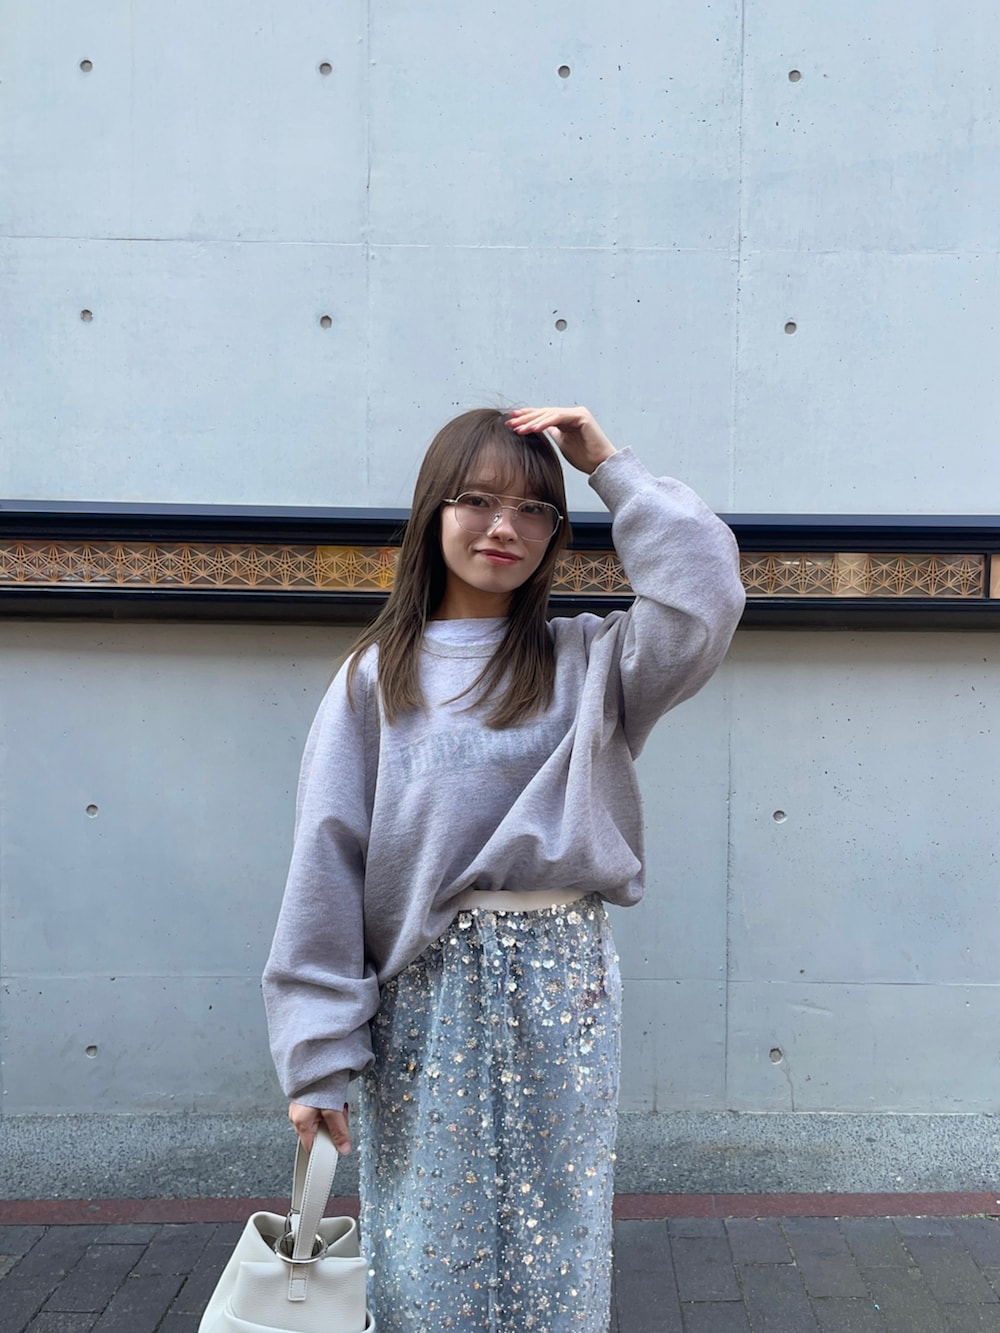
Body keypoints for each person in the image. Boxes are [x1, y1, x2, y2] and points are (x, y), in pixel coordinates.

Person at [262, 405, 745, 1333]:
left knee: (557, 1239)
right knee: (427, 1244)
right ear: (433, 513)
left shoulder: (591, 661)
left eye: (532, 509)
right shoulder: (375, 678)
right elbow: (327, 861)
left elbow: (706, 593)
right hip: (428, 993)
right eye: (477, 500)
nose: (503, 527)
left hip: (565, 983)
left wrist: (608, 464)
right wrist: (316, 1057)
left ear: (557, 533)